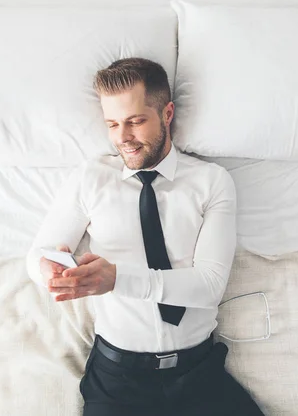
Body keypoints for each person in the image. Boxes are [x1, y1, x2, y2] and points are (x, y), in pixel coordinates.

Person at [26, 57, 264, 416]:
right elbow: (38, 255)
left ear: (167, 114)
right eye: (112, 124)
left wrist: (117, 278)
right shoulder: (91, 179)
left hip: (198, 374)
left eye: (136, 121)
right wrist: (52, 272)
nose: (123, 137)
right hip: (118, 379)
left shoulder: (211, 181)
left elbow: (210, 284)